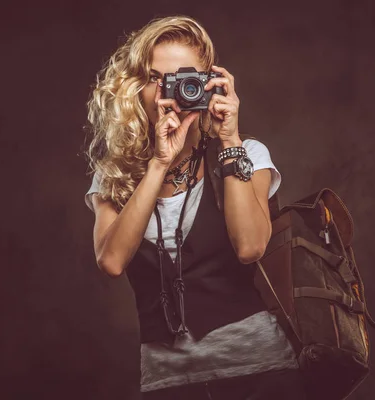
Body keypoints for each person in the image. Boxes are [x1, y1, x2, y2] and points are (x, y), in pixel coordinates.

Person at [83, 15, 306, 400]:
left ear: (209, 85)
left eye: (185, 77)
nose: (169, 91)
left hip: (261, 372)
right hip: (167, 383)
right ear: (138, 87)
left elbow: (251, 246)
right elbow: (111, 260)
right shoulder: (115, 175)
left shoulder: (245, 155)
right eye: (156, 78)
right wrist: (158, 164)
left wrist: (230, 136)